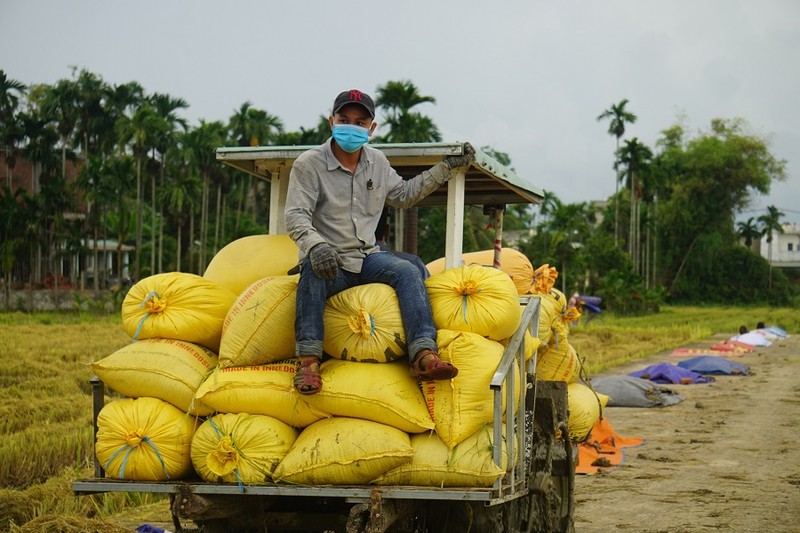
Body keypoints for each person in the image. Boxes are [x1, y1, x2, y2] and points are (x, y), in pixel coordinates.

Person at [284, 88, 475, 394]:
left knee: (408, 270)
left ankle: (424, 352)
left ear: (371, 129)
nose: (352, 126)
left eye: (360, 122)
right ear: (331, 121)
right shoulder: (309, 164)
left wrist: (446, 169)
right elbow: (296, 216)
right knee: (310, 275)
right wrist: (315, 246)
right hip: (329, 260)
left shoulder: (378, 162)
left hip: (368, 257)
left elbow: (403, 195)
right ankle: (308, 362)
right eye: (344, 119)